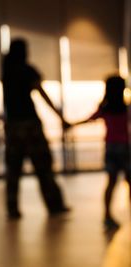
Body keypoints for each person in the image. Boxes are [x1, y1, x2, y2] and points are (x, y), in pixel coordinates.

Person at [2, 38, 70, 219]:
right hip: (30, 125)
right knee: (44, 167)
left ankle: (12, 208)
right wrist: (60, 117)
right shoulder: (27, 70)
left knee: (13, 170)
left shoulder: (6, 71)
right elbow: (42, 93)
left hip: (12, 126)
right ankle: (54, 205)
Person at [71, 75, 131, 230]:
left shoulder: (105, 109)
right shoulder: (126, 108)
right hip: (125, 149)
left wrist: (70, 124)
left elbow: (88, 119)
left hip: (111, 148)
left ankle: (107, 216)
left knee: (111, 183)